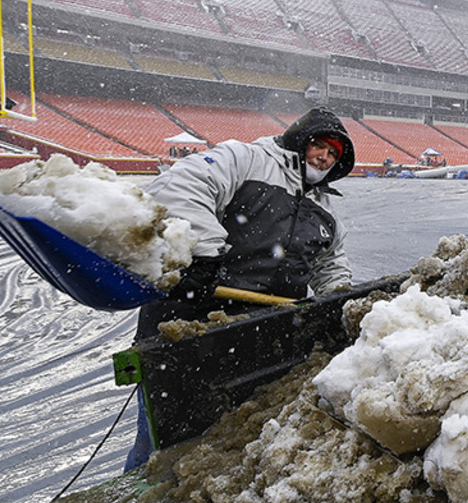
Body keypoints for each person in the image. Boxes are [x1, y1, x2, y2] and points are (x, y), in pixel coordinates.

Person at [124, 106, 357, 471]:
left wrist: (338, 299)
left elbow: (331, 265)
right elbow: (179, 186)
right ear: (300, 141)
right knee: (163, 449)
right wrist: (204, 255)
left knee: (235, 443)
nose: (325, 157)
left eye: (334, 154)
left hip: (264, 342)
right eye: (320, 146)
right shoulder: (246, 159)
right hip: (190, 329)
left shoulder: (324, 210)